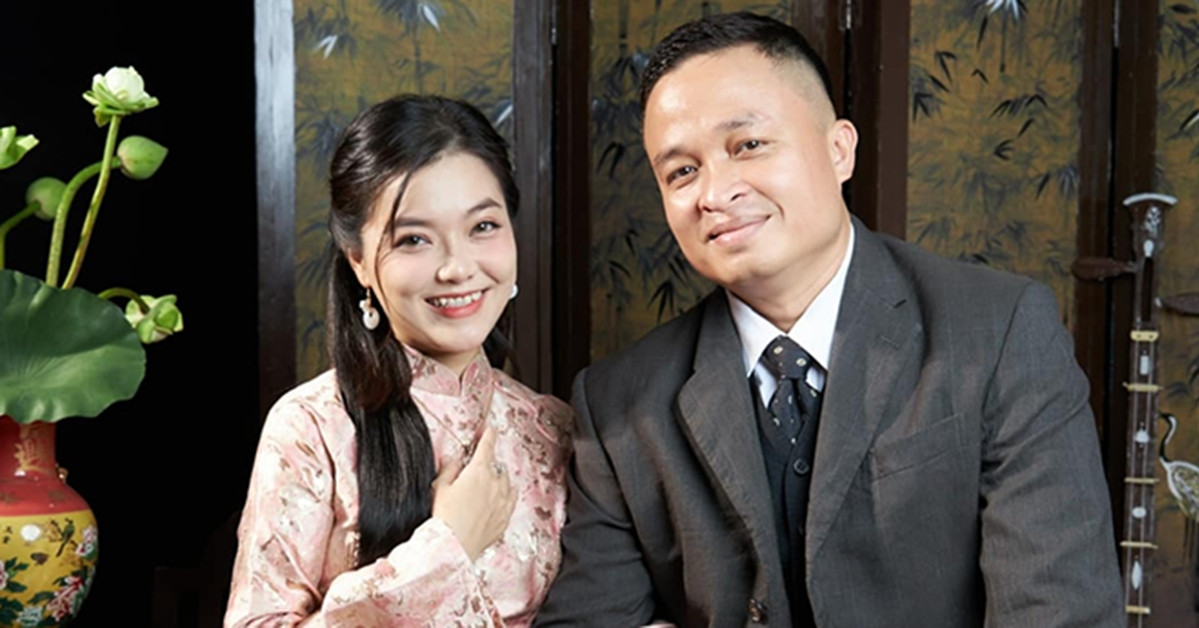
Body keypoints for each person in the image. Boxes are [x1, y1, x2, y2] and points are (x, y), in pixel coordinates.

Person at [536, 11, 1122, 628]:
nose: (715, 192)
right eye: (682, 171)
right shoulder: (619, 404)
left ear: (839, 149)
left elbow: (1059, 613)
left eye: (748, 145)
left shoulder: (997, 332)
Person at [226, 95, 572, 626]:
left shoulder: (552, 429)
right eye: (414, 239)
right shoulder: (313, 429)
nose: (457, 268)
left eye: (483, 226)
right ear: (359, 262)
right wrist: (446, 548)